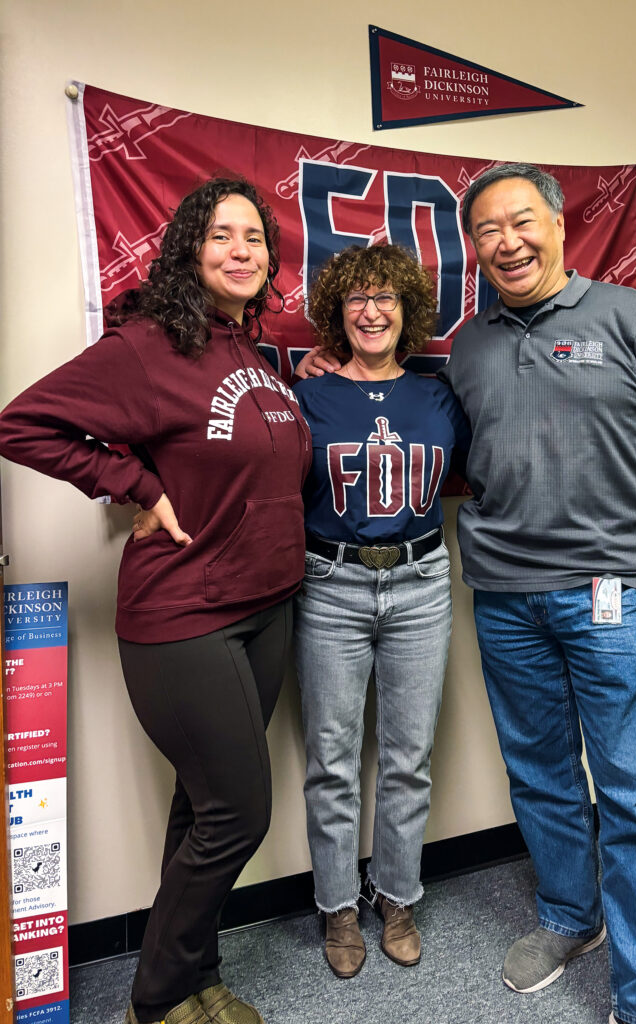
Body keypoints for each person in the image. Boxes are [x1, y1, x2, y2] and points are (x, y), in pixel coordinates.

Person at [0, 178, 311, 1024]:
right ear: (188, 250)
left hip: (268, 606)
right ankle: (155, 999)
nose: (241, 250)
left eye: (254, 237)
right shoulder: (147, 346)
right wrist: (128, 479)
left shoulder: (254, 354)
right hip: (186, 616)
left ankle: (196, 978)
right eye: (221, 236)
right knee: (240, 813)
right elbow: (22, 422)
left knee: (204, 806)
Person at [442, 163, 636, 1024]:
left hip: (612, 596)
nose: (506, 240)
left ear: (560, 224)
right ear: (474, 248)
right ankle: (572, 919)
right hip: (503, 596)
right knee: (537, 773)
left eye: (521, 220)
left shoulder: (630, 317)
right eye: (487, 229)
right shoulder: (468, 343)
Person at [292, 244, 470, 979]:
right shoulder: (303, 396)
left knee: (408, 755)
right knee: (330, 759)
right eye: (356, 299)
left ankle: (395, 895)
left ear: (408, 312)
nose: (371, 311)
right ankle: (337, 905)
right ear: (338, 313)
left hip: (420, 581)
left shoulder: (438, 397)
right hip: (330, 584)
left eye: (386, 298)